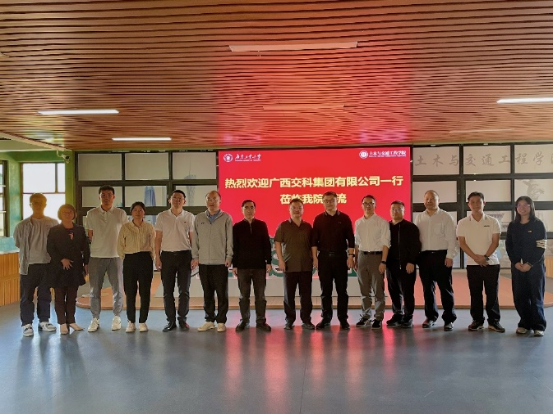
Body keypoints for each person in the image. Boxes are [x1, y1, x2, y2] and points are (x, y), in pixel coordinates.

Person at [457, 192, 504, 333]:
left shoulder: (493, 221)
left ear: (484, 203)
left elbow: (495, 242)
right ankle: (477, 321)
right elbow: (462, 243)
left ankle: (494, 321)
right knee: (475, 294)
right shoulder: (463, 223)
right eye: (473, 202)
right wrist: (476, 258)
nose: (476, 204)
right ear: (468, 205)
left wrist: (485, 257)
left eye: (479, 201)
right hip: (472, 264)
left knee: (492, 294)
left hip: (491, 263)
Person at [14, 193, 59, 337]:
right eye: (35, 202)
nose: (38, 205)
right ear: (30, 205)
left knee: (45, 294)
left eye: (40, 202)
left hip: (47, 264)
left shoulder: (53, 223)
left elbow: (57, 243)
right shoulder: (22, 225)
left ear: (45, 204)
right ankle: (27, 324)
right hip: (28, 265)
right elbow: (18, 243)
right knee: (26, 295)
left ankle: (44, 321)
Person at [85, 185, 128, 332]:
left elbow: (125, 234)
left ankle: (117, 317)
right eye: (103, 195)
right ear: (99, 197)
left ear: (114, 197)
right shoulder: (91, 214)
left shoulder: (120, 213)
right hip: (96, 256)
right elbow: (90, 235)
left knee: (118, 289)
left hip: (116, 256)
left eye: (109, 195)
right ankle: (95, 319)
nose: (106, 197)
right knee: (94, 290)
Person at [415, 190, 459, 331]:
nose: (429, 201)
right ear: (424, 201)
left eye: (432, 198)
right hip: (424, 257)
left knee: (445, 289)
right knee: (427, 290)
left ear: (438, 200)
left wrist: (450, 256)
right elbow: (417, 239)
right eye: (427, 198)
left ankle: (449, 319)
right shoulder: (419, 217)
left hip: (442, 256)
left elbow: (452, 239)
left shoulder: (445, 217)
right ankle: (431, 317)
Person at [311, 191, 355, 330]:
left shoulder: (344, 218)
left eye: (332, 200)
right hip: (324, 258)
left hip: (340, 257)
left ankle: (343, 319)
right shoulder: (318, 219)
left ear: (337, 201)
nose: (329, 203)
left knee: (342, 291)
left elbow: (351, 239)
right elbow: (314, 241)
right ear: (323, 202)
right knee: (326, 291)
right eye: (326, 201)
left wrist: (350, 256)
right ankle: (326, 318)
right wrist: (315, 258)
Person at [192, 191, 233, 333]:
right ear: (205, 201)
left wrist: (229, 256)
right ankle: (209, 320)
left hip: (220, 262)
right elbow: (195, 240)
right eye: (209, 199)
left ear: (220, 201)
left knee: (222, 293)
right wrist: (195, 256)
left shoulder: (226, 218)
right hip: (204, 262)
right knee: (207, 293)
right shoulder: (199, 218)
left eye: (214, 199)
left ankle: (221, 321)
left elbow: (230, 239)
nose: (211, 201)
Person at [506, 196, 547, 337]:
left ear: (531, 207)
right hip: (517, 267)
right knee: (520, 296)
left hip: (535, 267)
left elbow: (541, 247)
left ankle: (538, 325)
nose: (522, 208)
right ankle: (525, 323)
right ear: (516, 208)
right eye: (519, 205)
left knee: (536, 296)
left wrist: (530, 264)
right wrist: (516, 262)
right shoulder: (513, 225)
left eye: (525, 205)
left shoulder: (538, 224)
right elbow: (509, 246)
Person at [155, 190, 195, 332]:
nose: (177, 200)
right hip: (167, 256)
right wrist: (157, 257)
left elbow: (193, 239)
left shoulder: (189, 217)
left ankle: (182, 319)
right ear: (169, 200)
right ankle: (171, 321)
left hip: (185, 256)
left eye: (180, 198)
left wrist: (195, 257)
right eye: (174, 198)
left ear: (184, 201)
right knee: (167, 291)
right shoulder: (162, 216)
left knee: (184, 290)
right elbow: (158, 238)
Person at [47, 204, 90, 335]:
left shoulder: (79, 229)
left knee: (72, 296)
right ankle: (62, 323)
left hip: (75, 268)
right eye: (64, 212)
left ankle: (71, 320)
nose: (67, 214)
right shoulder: (54, 230)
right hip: (58, 268)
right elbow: (50, 248)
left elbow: (85, 247)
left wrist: (86, 263)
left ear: (74, 214)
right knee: (59, 297)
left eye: (70, 212)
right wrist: (62, 259)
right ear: (60, 214)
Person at [275, 198, 315, 331]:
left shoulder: (308, 226)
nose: (297, 210)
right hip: (289, 266)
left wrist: (314, 258)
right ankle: (289, 320)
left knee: (306, 296)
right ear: (289, 209)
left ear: (303, 210)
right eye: (294, 208)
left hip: (305, 266)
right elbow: (277, 243)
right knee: (289, 296)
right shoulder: (283, 226)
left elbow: (313, 245)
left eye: (299, 208)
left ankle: (306, 320)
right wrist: (280, 260)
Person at [233, 200, 272, 332]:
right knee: (244, 296)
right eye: (246, 208)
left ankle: (261, 321)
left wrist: (268, 261)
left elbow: (266, 244)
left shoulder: (261, 225)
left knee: (260, 296)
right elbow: (235, 247)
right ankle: (244, 320)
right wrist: (235, 265)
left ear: (255, 209)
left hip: (259, 266)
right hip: (243, 266)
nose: (249, 210)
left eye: (251, 207)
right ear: (242, 210)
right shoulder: (237, 227)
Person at [118, 202, 156, 333]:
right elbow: (120, 246)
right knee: (130, 292)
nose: (138, 212)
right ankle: (131, 321)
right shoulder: (125, 227)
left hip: (145, 259)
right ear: (131, 212)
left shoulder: (149, 227)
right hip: (130, 260)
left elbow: (153, 245)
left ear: (144, 212)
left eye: (140, 210)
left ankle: (143, 321)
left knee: (145, 292)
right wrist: (126, 258)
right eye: (135, 210)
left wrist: (151, 258)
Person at [354, 195, 390, 330]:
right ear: (361, 205)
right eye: (365, 203)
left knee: (378, 289)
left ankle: (378, 317)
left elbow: (386, 243)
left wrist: (383, 261)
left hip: (376, 257)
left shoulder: (382, 222)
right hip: (362, 257)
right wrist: (355, 259)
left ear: (375, 205)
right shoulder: (358, 223)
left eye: (371, 203)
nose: (368, 205)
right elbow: (357, 243)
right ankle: (366, 315)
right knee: (364, 289)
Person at [386, 201, 421, 329]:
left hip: (407, 265)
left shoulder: (411, 227)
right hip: (391, 265)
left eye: (398, 209)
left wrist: (412, 261)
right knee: (393, 291)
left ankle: (408, 316)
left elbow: (416, 246)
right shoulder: (386, 227)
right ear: (390, 211)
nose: (395, 211)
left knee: (407, 292)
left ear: (404, 211)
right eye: (393, 209)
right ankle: (397, 314)